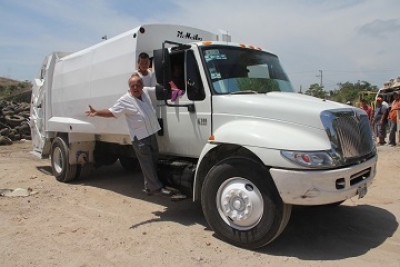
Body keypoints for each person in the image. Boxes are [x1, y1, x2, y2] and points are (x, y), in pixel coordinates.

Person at [85, 75, 170, 196]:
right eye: (132, 86)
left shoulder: (145, 92)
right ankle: (155, 188)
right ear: (129, 87)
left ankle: (148, 186)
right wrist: (97, 112)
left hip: (151, 133)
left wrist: (172, 85)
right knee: (146, 163)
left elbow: (159, 90)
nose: (135, 88)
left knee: (153, 160)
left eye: (138, 85)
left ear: (142, 85)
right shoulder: (125, 100)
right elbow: (111, 112)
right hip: (140, 137)